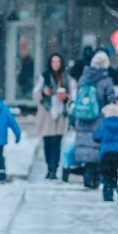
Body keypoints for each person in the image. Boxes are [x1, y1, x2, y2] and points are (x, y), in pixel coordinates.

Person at [72, 50, 117, 188]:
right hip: (97, 119)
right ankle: (94, 177)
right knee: (95, 148)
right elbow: (111, 100)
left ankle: (87, 175)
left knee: (84, 147)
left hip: (82, 117)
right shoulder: (106, 80)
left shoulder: (83, 78)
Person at [34, 53, 71, 181]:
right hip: (46, 114)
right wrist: (44, 93)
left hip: (60, 115)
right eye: (53, 61)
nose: (56, 64)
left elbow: (72, 96)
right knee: (47, 143)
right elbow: (36, 95)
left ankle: (53, 169)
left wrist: (65, 98)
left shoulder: (65, 77)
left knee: (57, 143)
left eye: (58, 61)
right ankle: (49, 167)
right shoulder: (44, 77)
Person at [93, 102, 118, 202]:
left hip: (105, 154)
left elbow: (96, 137)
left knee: (106, 177)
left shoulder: (103, 124)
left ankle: (107, 196)